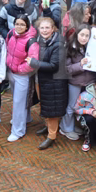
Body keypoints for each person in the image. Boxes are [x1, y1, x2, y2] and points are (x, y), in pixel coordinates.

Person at [29, 17, 67, 150]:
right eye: (42, 28)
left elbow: (54, 65)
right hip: (42, 80)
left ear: (53, 29)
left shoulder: (58, 43)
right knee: (45, 104)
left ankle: (52, 136)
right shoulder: (39, 41)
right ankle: (47, 127)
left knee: (52, 110)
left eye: (47, 28)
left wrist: (34, 63)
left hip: (53, 82)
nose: (44, 30)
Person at [5, 16, 39, 142]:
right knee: (18, 99)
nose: (19, 27)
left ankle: (18, 131)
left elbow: (32, 61)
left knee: (18, 103)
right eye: (17, 24)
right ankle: (26, 118)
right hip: (11, 72)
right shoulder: (10, 34)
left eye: (22, 24)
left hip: (22, 75)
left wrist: (19, 69)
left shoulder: (31, 41)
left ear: (27, 26)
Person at [63, 26, 96, 141]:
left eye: (87, 36)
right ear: (77, 35)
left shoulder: (91, 48)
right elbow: (67, 69)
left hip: (88, 82)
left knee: (81, 106)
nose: (84, 38)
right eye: (82, 35)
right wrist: (80, 65)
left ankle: (74, 126)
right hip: (75, 82)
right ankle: (66, 128)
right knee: (71, 106)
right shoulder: (70, 48)